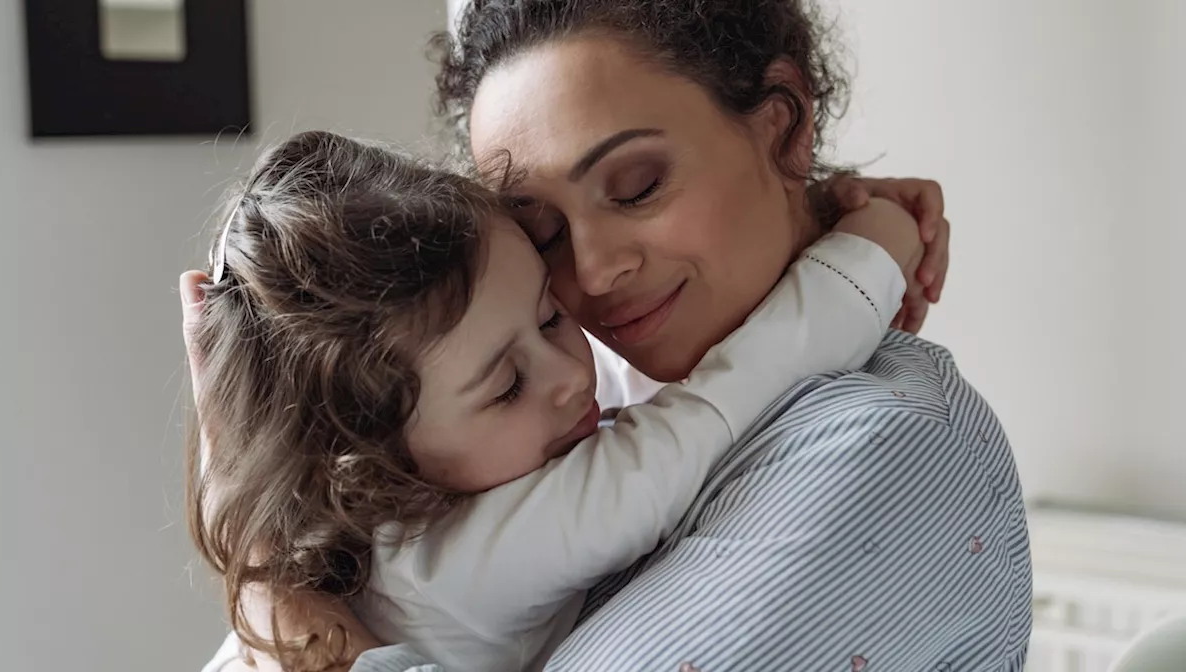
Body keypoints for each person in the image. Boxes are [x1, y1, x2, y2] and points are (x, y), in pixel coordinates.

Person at [187, 129, 921, 672]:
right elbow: (717, 406)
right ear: (371, 468)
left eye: (547, 318)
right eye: (506, 385)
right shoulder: (456, 556)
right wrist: (873, 251)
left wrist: (810, 208)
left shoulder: (431, 472)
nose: (573, 375)